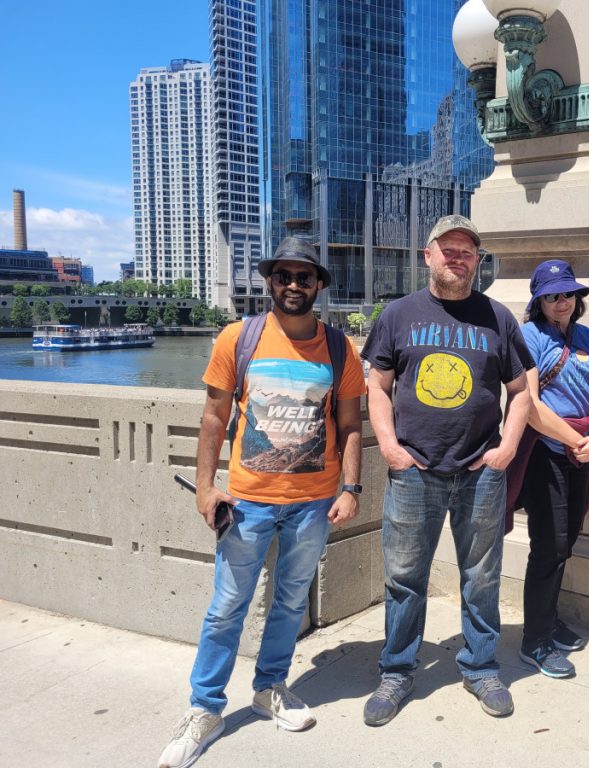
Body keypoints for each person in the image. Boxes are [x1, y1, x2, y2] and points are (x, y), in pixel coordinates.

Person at [158, 237, 366, 768]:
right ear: (269, 281)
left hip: (313, 502)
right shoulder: (239, 338)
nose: (293, 285)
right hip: (248, 501)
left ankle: (269, 687)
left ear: (319, 285)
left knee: (291, 603)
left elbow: (350, 425)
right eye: (283, 276)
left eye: (304, 277)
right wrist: (206, 487)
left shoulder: (340, 348)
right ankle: (205, 709)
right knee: (226, 607)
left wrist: (351, 488)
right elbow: (213, 417)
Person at [360, 214, 533, 725]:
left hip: (481, 471)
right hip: (414, 472)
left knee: (481, 577)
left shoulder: (498, 318)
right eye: (448, 249)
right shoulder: (398, 315)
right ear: (428, 255)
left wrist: (506, 450)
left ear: (477, 261)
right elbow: (377, 387)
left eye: (467, 252)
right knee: (404, 577)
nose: (458, 258)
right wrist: (390, 447)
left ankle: (481, 667)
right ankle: (397, 670)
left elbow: (522, 392)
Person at [508, 260, 589, 678]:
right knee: (549, 546)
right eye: (551, 295)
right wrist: (577, 440)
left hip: (584, 450)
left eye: (567, 293)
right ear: (538, 301)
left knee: (566, 541)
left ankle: (549, 622)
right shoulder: (530, 337)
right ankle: (534, 641)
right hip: (547, 452)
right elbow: (531, 406)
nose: (561, 302)